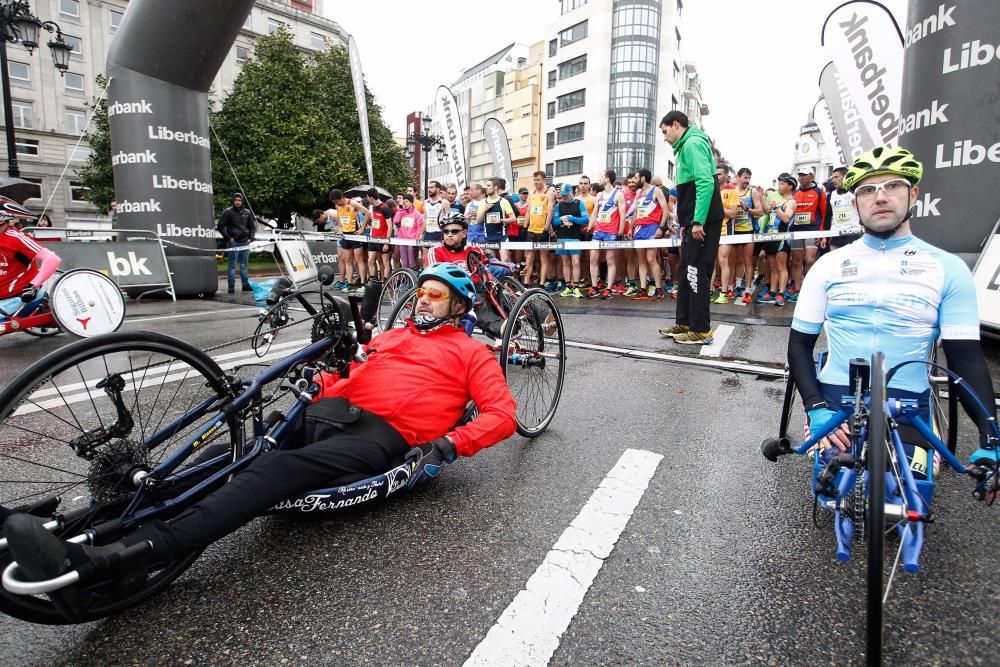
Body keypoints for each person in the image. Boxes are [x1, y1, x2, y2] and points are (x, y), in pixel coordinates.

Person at [2, 262, 518, 620]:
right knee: (222, 455)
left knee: (269, 474)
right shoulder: (389, 338)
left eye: (434, 295)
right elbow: (351, 378)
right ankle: (77, 524)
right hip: (329, 412)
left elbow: (502, 415)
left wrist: (450, 446)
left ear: (456, 308)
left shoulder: (471, 353)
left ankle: (121, 560)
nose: (422, 299)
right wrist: (322, 384)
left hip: (379, 438)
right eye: (421, 291)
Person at [786, 145, 997, 483]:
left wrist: (991, 439)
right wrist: (816, 408)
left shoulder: (948, 269)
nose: (880, 197)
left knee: (912, 490)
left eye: (892, 186)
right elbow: (798, 346)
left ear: (914, 194)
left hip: (908, 402)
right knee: (834, 488)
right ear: (856, 204)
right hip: (836, 397)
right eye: (868, 190)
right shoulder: (828, 266)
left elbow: (966, 360)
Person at [657, 110, 724, 345]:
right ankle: (685, 322)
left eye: (665, 131)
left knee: (696, 273)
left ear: (676, 125)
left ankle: (701, 329)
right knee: (686, 272)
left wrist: (698, 221)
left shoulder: (693, 143)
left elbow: (705, 182)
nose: (665, 137)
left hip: (702, 222)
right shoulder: (686, 146)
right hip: (693, 222)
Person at [0, 202, 61, 317]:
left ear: (5, 222)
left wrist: (33, 286)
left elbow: (52, 259)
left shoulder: (15, 238)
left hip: (18, 297)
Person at [756, 174, 797, 307]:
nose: (779, 186)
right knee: (772, 267)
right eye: (778, 183)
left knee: (781, 266)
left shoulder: (791, 201)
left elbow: (786, 218)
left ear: (790, 186)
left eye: (782, 183)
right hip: (770, 236)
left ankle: (781, 293)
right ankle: (772, 292)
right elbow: (766, 210)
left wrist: (776, 208)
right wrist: (762, 197)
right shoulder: (776, 199)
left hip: (782, 237)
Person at [586, 169, 628, 299]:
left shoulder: (618, 195)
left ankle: (609, 289)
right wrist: (589, 228)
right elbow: (595, 213)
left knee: (610, 260)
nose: (599, 177)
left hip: (611, 231)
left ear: (607, 178)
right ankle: (594, 287)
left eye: (602, 176)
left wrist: (620, 231)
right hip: (598, 231)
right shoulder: (599, 195)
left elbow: (622, 214)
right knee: (593, 258)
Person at [629, 168, 669, 301]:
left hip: (652, 228)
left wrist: (661, 228)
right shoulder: (639, 192)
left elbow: (665, 210)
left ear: (643, 178)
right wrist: (630, 227)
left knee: (651, 259)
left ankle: (659, 289)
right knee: (641, 260)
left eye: (636, 177)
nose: (634, 180)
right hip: (639, 229)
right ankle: (643, 289)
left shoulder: (656, 191)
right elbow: (635, 211)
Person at [789, 167, 827, 300]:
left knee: (810, 260)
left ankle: (809, 288)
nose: (801, 177)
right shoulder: (795, 193)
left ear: (812, 176)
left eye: (804, 175)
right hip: (796, 231)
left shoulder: (819, 192)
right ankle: (798, 290)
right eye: (799, 175)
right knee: (796, 261)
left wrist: (822, 233)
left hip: (813, 230)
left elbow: (824, 214)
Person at [730, 168, 765, 305]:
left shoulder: (752, 191)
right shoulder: (731, 191)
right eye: (745, 177)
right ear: (738, 177)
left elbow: (760, 212)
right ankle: (737, 286)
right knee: (735, 260)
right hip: (733, 230)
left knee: (747, 261)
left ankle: (748, 290)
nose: (747, 181)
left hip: (748, 230)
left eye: (749, 178)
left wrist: (747, 209)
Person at [551, 183, 589, 298]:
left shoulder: (579, 203)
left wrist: (573, 219)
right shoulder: (559, 205)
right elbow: (554, 221)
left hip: (575, 237)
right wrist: (562, 221)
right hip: (562, 237)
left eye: (566, 195)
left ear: (571, 192)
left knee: (576, 262)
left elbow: (586, 219)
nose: (564, 197)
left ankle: (576, 287)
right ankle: (568, 286)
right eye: (563, 195)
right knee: (565, 263)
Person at [216, 192, 257, 295]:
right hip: (233, 242)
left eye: (239, 200)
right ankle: (231, 286)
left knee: (244, 265)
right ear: (233, 201)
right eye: (235, 200)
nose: (237, 202)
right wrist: (228, 238)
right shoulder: (228, 212)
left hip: (245, 242)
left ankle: (245, 285)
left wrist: (251, 238)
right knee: (232, 265)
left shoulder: (247, 212)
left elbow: (252, 227)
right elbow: (220, 226)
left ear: (242, 201)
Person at [329, 189, 370, 291]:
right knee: (347, 260)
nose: (336, 204)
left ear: (342, 198)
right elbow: (339, 217)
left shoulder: (352, 203)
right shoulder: (338, 206)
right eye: (334, 202)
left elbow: (367, 212)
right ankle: (349, 283)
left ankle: (363, 284)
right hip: (345, 236)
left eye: (337, 201)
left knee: (359, 259)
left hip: (355, 234)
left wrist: (362, 228)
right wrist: (339, 228)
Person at [713, 167, 741, 304]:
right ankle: (710, 292)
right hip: (711, 230)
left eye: (720, 174)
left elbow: (732, 213)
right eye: (715, 174)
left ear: (726, 175)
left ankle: (724, 293)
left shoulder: (732, 192)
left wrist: (717, 205)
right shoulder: (710, 190)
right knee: (710, 262)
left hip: (726, 230)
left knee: (723, 260)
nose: (717, 176)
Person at [523, 171, 555, 289]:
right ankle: (526, 283)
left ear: (544, 180)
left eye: (538, 180)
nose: (536, 182)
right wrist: (525, 226)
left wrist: (546, 228)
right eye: (535, 180)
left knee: (543, 258)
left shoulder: (549, 193)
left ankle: (541, 283)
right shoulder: (532, 193)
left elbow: (550, 211)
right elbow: (529, 210)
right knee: (529, 258)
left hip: (543, 230)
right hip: (532, 230)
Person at [825, 166, 862, 250]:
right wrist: (826, 235)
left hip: (853, 233)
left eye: (836, 177)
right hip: (835, 234)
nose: (833, 180)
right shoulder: (831, 195)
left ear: (845, 177)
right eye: (832, 178)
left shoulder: (855, 193)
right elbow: (828, 216)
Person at [476, 177, 517, 251]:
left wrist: (501, 220)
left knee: (505, 259)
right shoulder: (483, 202)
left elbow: (513, 218)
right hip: (488, 237)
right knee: (491, 260)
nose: (486, 188)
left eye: (488, 186)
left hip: (502, 236)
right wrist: (484, 210)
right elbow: (478, 221)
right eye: (486, 186)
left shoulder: (503, 201)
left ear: (495, 187)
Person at [365, 189, 393, 281]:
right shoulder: (371, 207)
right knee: (370, 260)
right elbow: (372, 220)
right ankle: (373, 281)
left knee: (385, 262)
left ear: (371, 197)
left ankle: (385, 282)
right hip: (373, 238)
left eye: (367, 197)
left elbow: (390, 226)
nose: (367, 199)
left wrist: (386, 242)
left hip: (383, 239)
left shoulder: (384, 208)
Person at [393, 194, 424, 270]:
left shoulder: (417, 215)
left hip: (412, 242)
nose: (405, 203)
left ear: (411, 203)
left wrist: (416, 239)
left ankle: (414, 278)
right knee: (405, 263)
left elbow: (419, 228)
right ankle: (406, 280)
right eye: (404, 202)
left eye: (406, 201)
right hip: (402, 241)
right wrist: (400, 209)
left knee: (412, 262)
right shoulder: (402, 212)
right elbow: (395, 220)